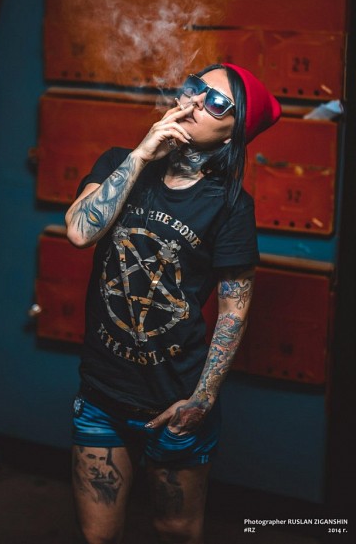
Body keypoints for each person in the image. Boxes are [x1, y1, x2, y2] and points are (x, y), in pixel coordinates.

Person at [65, 63, 281, 544]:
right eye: (195, 88)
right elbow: (79, 232)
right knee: (98, 536)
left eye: (217, 102)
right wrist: (142, 153)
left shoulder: (229, 206)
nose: (196, 101)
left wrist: (202, 399)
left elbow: (234, 311)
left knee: (176, 530)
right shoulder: (120, 162)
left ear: (232, 134)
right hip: (101, 393)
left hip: (174, 400)